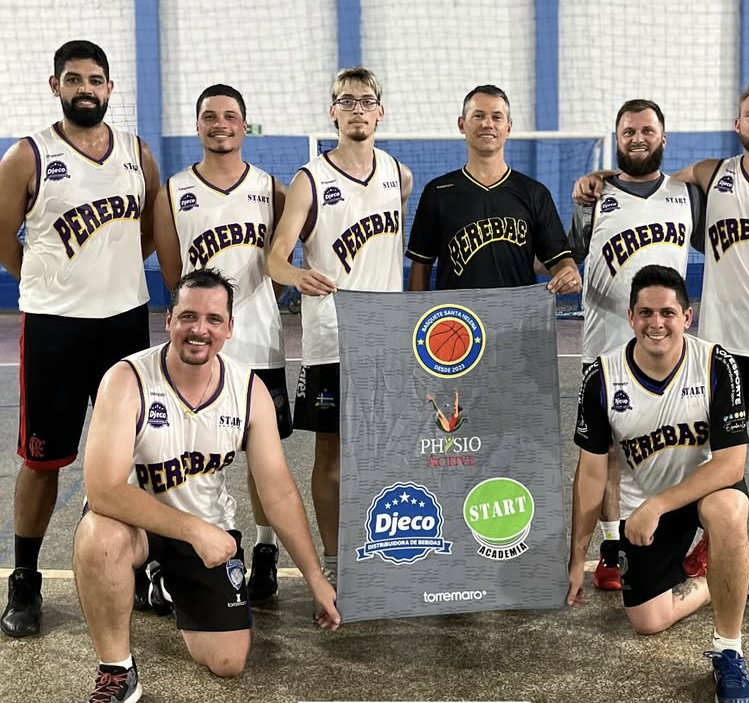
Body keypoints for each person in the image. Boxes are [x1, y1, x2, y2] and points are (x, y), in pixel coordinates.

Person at [573, 81, 749, 601]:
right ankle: (660, 545)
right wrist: (598, 178)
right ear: (737, 124)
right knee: (677, 449)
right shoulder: (710, 177)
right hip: (717, 342)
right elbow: (636, 186)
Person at [73, 268, 340, 703]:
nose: (200, 330)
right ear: (169, 320)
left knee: (228, 661)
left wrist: (316, 578)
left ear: (230, 328)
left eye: (214, 319)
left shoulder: (248, 390)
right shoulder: (127, 380)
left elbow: (278, 490)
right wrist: (195, 530)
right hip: (134, 525)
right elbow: (103, 490)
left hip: (205, 529)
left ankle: (161, 582)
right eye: (188, 317)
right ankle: (117, 670)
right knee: (98, 537)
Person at [568, 264, 749, 703]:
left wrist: (657, 504)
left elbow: (732, 465)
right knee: (647, 619)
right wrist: (576, 557)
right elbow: (592, 473)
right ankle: (737, 577)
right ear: (630, 317)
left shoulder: (717, 364)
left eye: (668, 313)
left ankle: (728, 652)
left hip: (703, 488)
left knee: (728, 510)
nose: (657, 323)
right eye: (646, 313)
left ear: (687, 317)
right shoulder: (600, 377)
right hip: (648, 506)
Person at [0, 40, 159, 638]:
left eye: (95, 79)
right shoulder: (27, 156)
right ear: (55, 85)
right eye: (73, 79)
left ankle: (145, 567)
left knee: (137, 457)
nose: (85, 88)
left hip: (124, 325)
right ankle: (25, 579)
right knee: (42, 460)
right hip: (54, 330)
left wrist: (112, 277)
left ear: (111, 88)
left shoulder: (136, 154)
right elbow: (2, 237)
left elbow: (149, 231)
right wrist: (49, 282)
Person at [266, 67, 413, 587]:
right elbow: (274, 260)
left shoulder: (400, 174)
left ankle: (385, 552)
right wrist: (295, 274)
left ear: (380, 111)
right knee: (330, 454)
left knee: (385, 452)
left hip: (388, 339)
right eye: (346, 100)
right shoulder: (311, 179)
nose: (357, 108)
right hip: (332, 337)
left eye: (366, 100)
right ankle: (333, 562)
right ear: (332, 111)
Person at [154, 84, 291, 606]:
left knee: (263, 462)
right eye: (210, 116)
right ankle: (186, 548)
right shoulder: (173, 191)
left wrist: (254, 310)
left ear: (244, 125)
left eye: (230, 116)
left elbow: (276, 268)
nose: (220, 124)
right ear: (198, 125)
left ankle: (263, 549)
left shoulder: (270, 189)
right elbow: (175, 276)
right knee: (186, 457)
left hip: (259, 345)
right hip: (197, 352)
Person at [569, 99, 705, 591]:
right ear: (617, 137)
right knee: (604, 454)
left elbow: (730, 249)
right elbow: (569, 254)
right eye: (629, 131)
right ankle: (610, 548)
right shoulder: (594, 197)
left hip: (670, 351)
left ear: (663, 138)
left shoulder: (685, 195)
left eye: (648, 130)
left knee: (678, 446)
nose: (638, 137)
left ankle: (677, 537)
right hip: (605, 343)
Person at [405, 84, 581, 294]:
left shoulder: (534, 193)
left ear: (509, 127)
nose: (488, 124)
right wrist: (414, 320)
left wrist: (569, 273)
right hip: (459, 322)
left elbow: (559, 259)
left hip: (518, 320)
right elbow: (421, 266)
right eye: (478, 116)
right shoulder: (438, 192)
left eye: (497, 117)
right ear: (461, 124)